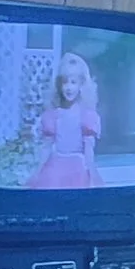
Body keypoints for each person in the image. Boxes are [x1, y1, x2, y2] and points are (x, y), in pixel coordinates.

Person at [24, 52, 102, 188]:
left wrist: (93, 174)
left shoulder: (86, 116)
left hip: (77, 167)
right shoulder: (54, 115)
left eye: (73, 82)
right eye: (65, 83)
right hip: (56, 167)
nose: (69, 88)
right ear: (59, 85)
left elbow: (88, 151)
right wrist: (36, 172)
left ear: (81, 85)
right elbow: (47, 147)